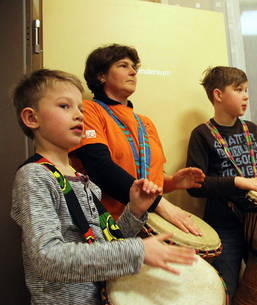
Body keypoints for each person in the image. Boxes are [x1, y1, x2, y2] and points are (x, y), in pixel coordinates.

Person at [10, 69, 197, 305]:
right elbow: (47, 258)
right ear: (32, 117)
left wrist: (134, 210)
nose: (79, 114)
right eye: (65, 106)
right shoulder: (34, 177)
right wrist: (138, 251)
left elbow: (104, 242)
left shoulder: (82, 178)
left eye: (80, 109)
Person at [186, 66, 257, 305]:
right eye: (239, 90)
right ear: (218, 95)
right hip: (224, 227)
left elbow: (256, 180)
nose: (246, 96)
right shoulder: (202, 134)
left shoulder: (252, 130)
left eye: (247, 90)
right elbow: (195, 186)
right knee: (226, 297)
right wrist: (236, 182)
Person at [70, 44, 204, 235]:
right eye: (123, 66)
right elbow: (99, 167)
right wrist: (160, 204)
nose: (133, 72)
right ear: (101, 75)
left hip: (150, 225)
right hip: (108, 229)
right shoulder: (89, 111)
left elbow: (146, 180)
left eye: (134, 67)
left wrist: (172, 182)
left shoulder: (145, 123)